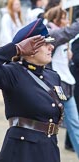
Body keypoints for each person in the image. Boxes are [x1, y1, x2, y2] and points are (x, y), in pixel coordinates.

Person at [0, 18, 66, 162]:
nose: (51, 47)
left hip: (49, 148)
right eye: (45, 44)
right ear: (30, 48)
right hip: (22, 151)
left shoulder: (53, 77)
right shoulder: (13, 74)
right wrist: (16, 48)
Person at [44, 6, 79, 157]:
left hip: (66, 87)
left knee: (74, 124)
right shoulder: (49, 33)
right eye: (64, 18)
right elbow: (66, 33)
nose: (67, 21)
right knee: (51, 125)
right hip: (57, 88)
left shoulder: (60, 37)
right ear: (56, 19)